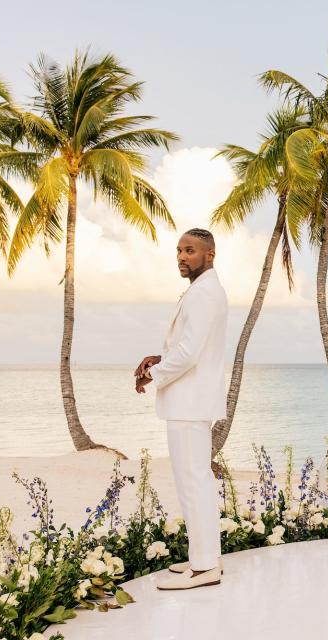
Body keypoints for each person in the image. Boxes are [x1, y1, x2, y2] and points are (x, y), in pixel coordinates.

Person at [134, 228, 228, 591]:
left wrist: (153, 375)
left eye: (190, 250)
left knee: (194, 482)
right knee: (194, 482)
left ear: (210, 254)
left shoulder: (205, 294)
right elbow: (190, 347)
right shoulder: (201, 292)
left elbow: (189, 354)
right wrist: (161, 357)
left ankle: (205, 567)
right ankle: (204, 558)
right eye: (179, 250)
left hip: (190, 403)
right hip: (191, 402)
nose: (182, 257)